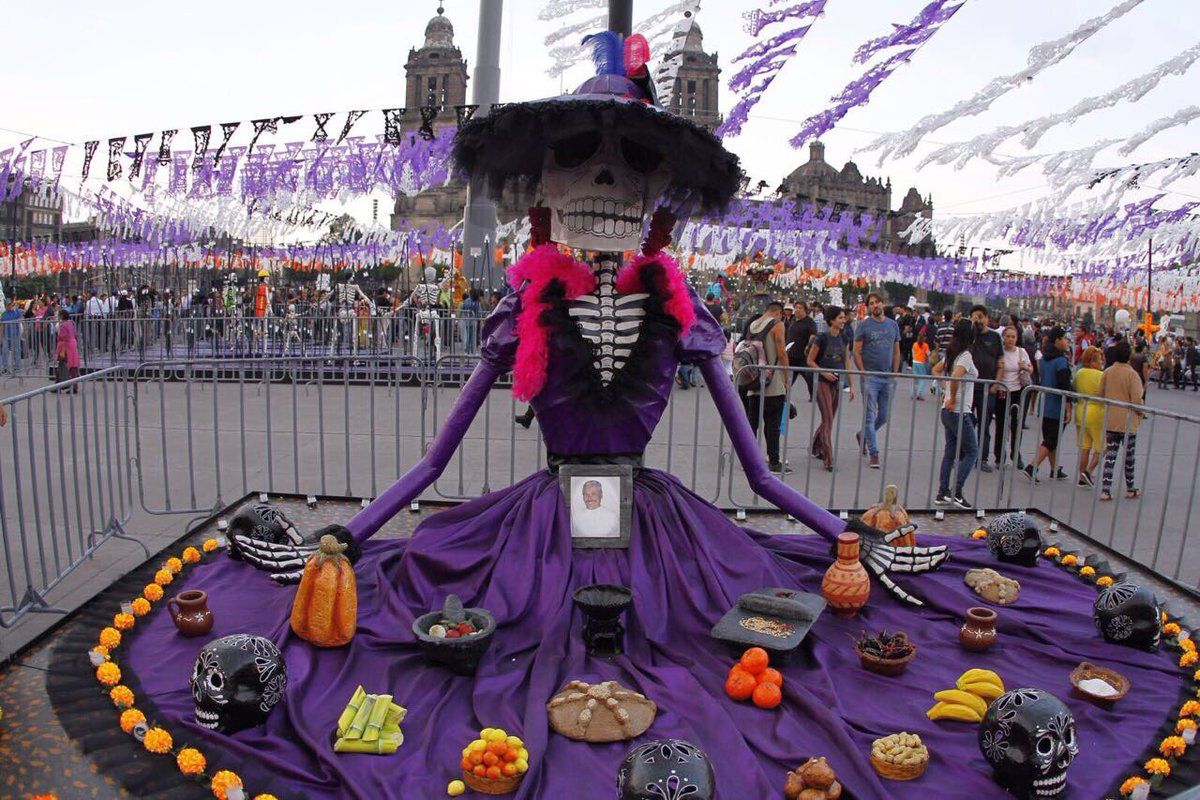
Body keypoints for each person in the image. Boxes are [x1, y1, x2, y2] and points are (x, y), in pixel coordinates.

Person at [932, 319, 978, 509]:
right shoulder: (965, 356)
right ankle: (956, 491)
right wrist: (951, 396)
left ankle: (942, 491)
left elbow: (936, 369)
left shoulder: (953, 353)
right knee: (972, 451)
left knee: (950, 452)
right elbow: (956, 376)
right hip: (958, 410)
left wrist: (946, 392)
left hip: (948, 410)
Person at [853, 292, 900, 469]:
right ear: (868, 307)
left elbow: (896, 351)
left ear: (883, 304)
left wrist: (895, 372)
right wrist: (863, 372)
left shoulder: (892, 325)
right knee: (869, 416)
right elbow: (856, 351)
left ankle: (863, 434)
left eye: (877, 302)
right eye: (871, 303)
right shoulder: (864, 326)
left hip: (887, 377)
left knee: (884, 416)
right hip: (870, 378)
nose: (875, 305)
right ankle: (874, 453)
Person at [743, 302, 790, 473]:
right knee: (772, 424)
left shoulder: (753, 325)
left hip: (753, 380)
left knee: (752, 423)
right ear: (779, 313)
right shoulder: (777, 325)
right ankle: (774, 461)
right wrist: (787, 377)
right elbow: (781, 352)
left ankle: (748, 459)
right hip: (773, 382)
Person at [1022, 327, 1073, 483]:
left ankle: (1054, 469)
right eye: (1065, 339)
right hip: (1058, 406)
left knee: (1050, 439)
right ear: (1057, 340)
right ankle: (1032, 467)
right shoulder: (1061, 361)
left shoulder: (1044, 358)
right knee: (1051, 440)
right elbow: (1064, 386)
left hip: (1045, 403)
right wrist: (1069, 408)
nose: (1067, 342)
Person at [807, 305, 853, 471]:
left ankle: (815, 445)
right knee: (827, 419)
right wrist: (824, 372)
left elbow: (847, 361)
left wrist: (852, 384)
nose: (843, 320)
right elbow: (810, 361)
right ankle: (829, 458)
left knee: (829, 418)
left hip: (837, 382)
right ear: (831, 320)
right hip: (822, 382)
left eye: (844, 317)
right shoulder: (821, 337)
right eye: (840, 318)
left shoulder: (844, 337)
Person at [1097, 339, 1144, 501]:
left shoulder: (1108, 372)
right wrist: (1141, 412)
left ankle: (1105, 490)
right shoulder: (1132, 375)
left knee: (1110, 456)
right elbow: (1137, 400)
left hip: (1111, 420)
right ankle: (1130, 488)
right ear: (1129, 356)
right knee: (1129, 456)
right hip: (1128, 422)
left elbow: (1100, 393)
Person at [969, 305, 1003, 473]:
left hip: (987, 389)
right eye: (975, 317)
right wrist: (972, 327)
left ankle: (982, 458)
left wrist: (996, 384)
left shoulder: (995, 337)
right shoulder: (969, 335)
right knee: (966, 423)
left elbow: (1000, 362)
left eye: (981, 317)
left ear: (987, 318)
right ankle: (963, 455)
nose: (979, 320)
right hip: (969, 387)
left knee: (985, 424)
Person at [993, 325, 1032, 468]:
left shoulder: (1021, 352)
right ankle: (999, 457)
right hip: (1002, 391)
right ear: (1003, 337)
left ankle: (1016, 454)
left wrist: (1024, 367)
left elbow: (1031, 369)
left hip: (1017, 391)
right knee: (1001, 425)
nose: (1010, 339)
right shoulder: (1000, 352)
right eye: (1008, 336)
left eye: (1013, 337)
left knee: (1016, 425)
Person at [1072, 346, 1106, 487]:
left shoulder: (1079, 373)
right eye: (1099, 360)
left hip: (1080, 410)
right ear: (1092, 361)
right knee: (1102, 446)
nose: (1102, 362)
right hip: (1096, 411)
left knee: (1085, 447)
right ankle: (1088, 471)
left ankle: (1081, 476)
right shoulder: (1101, 375)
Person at [786, 300, 817, 400]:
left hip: (803, 355)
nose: (797, 310)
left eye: (800, 308)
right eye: (796, 308)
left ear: (805, 310)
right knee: (789, 377)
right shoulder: (793, 321)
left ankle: (814, 395)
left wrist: (808, 346)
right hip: (791, 354)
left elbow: (813, 335)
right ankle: (784, 394)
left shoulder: (809, 322)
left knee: (809, 376)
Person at [55, 308, 81, 388]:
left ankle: (58, 385)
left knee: (62, 364)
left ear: (62, 316)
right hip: (72, 345)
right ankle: (74, 386)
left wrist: (62, 351)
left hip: (66, 346)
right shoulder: (70, 323)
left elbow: (64, 338)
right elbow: (75, 334)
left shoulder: (63, 325)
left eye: (59, 315)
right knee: (73, 365)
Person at [1, 300, 22, 375]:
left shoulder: (16, 311)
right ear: (5, 306)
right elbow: (2, 326)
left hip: (15, 335)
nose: (10, 306)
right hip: (6, 336)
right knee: (4, 351)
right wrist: (1, 337)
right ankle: (5, 368)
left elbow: (21, 318)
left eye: (10, 304)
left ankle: (17, 367)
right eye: (8, 305)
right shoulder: (4, 314)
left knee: (16, 350)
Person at [910, 327, 930, 400]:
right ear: (924, 338)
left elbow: (913, 353)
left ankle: (913, 394)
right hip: (921, 362)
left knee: (915, 379)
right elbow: (928, 354)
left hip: (915, 361)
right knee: (923, 379)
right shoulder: (925, 345)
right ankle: (919, 393)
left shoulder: (915, 344)